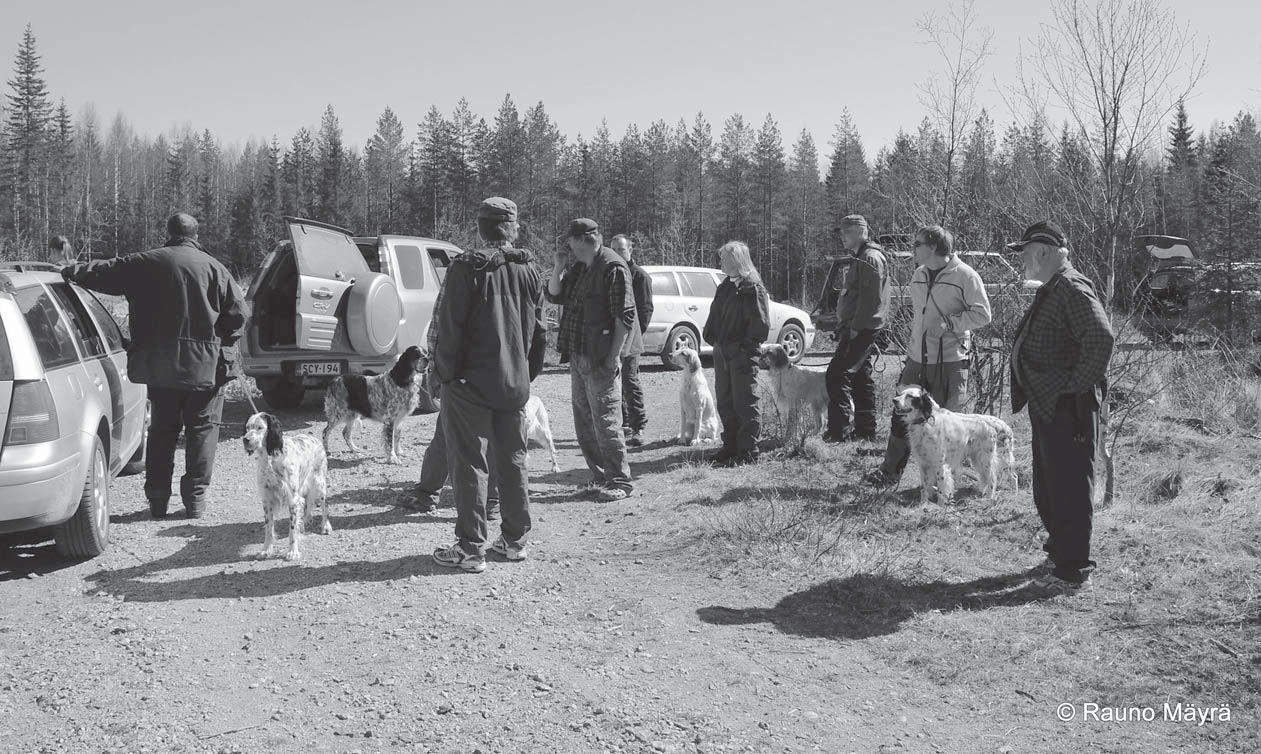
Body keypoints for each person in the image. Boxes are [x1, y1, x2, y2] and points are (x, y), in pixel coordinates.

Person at [62, 212, 245, 519]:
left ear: (168, 233)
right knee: (202, 432)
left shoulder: (145, 263)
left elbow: (104, 271)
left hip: (160, 367)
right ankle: (196, 501)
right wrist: (223, 345)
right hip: (206, 369)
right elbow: (238, 315)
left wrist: (69, 270)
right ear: (196, 236)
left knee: (162, 433)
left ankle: (158, 501)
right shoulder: (216, 269)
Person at [431, 197, 547, 573]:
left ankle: (470, 549)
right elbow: (541, 331)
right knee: (513, 460)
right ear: (512, 227)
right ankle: (514, 542)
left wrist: (444, 375)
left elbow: (448, 330)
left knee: (469, 463)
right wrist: (525, 372)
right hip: (514, 382)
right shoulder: (529, 269)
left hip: (470, 384)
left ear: (480, 228)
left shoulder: (467, 267)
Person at [1007, 220, 1114, 593]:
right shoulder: (1054, 286)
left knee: (1068, 487)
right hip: (1051, 403)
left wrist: (1072, 389)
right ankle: (1060, 554)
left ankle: (1072, 572)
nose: (1021, 259)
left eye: (1024, 252)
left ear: (1044, 252)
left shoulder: (1070, 286)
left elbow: (1101, 338)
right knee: (1050, 485)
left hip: (1068, 406)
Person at [867, 225, 992, 485]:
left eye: (917, 244)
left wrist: (949, 323)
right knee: (901, 412)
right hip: (917, 359)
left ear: (933, 247)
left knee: (947, 421)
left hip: (950, 360)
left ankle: (943, 483)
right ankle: (889, 474)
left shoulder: (966, 276)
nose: (912, 249)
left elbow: (983, 315)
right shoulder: (918, 275)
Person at [546, 218, 641, 501]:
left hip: (600, 357)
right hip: (578, 355)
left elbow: (624, 317)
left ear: (582, 240)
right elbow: (554, 295)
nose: (567, 247)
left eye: (570, 242)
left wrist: (613, 357)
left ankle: (620, 481)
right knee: (585, 419)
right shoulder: (578, 267)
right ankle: (599, 475)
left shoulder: (612, 267)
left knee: (607, 420)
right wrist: (558, 267)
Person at [821, 214, 890, 442]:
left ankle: (838, 431)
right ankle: (864, 429)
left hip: (862, 329)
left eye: (846, 232)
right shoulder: (862, 258)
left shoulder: (869, 258)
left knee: (837, 375)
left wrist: (855, 329)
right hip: (859, 328)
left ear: (860, 232)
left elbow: (870, 302)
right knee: (861, 377)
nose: (842, 237)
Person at [702, 241, 770, 466]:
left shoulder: (752, 287)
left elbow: (760, 326)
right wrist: (712, 337)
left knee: (746, 402)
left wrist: (743, 348)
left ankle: (748, 451)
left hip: (742, 354)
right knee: (725, 401)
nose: (721, 262)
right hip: (722, 351)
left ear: (736, 259)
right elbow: (715, 315)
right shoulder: (726, 286)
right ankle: (730, 447)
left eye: (724, 258)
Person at [610, 234, 653, 447]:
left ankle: (639, 427)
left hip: (632, 339)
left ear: (630, 251)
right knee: (614, 383)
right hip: (613, 338)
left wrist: (635, 333)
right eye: (613, 249)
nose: (617, 254)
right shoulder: (610, 272)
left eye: (621, 249)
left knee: (630, 381)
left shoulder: (639, 276)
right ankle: (624, 423)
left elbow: (645, 310)